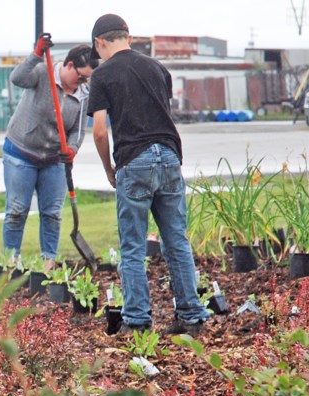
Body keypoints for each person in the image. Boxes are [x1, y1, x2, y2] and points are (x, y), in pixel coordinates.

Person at [87, 14, 209, 336]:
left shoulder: (102, 75)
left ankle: (138, 321)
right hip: (169, 157)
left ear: (100, 43)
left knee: (133, 246)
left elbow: (100, 131)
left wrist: (109, 169)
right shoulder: (158, 68)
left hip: (134, 160)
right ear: (129, 35)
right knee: (176, 242)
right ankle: (191, 317)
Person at [2, 38, 93, 271]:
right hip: (21, 153)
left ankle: (48, 264)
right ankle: (11, 263)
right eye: (80, 76)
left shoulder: (83, 93)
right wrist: (35, 54)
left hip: (54, 160)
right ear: (69, 65)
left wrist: (72, 149)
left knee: (52, 213)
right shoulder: (42, 73)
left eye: (86, 79)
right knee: (16, 211)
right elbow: (17, 78)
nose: (83, 82)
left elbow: (78, 130)